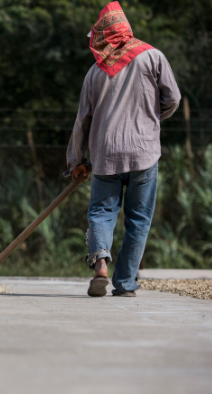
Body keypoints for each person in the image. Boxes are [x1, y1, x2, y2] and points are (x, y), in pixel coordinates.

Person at [65, 1, 181, 297]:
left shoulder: (94, 72)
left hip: (105, 156)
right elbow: (173, 98)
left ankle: (101, 263)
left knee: (101, 213)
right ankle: (125, 284)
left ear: (103, 34)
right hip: (144, 153)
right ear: (126, 30)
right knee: (138, 220)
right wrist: (152, 118)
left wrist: (76, 160)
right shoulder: (153, 56)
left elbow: (82, 122)